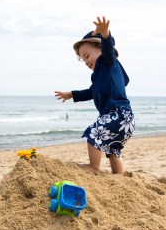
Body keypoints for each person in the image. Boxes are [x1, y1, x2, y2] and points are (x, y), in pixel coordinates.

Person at [54, 16, 135, 174]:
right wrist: (70, 94)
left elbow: (108, 50)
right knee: (113, 150)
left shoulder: (108, 62)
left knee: (93, 133)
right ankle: (119, 176)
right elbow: (90, 92)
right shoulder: (99, 76)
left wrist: (105, 34)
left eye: (87, 55)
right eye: (82, 59)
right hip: (126, 119)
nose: (86, 62)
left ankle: (93, 167)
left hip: (118, 114)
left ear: (100, 48)